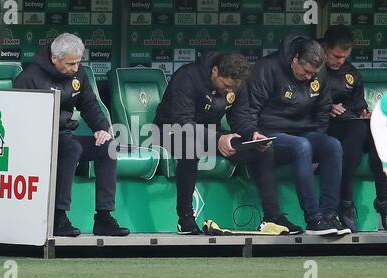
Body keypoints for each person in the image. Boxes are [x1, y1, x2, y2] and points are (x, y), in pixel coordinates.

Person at [153, 52, 303, 235]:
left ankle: (272, 217)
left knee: (262, 148)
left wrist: (253, 134)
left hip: (210, 135)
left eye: (233, 87)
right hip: (169, 132)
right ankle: (185, 219)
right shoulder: (187, 77)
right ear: (214, 71)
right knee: (189, 147)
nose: (229, 91)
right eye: (226, 85)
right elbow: (183, 123)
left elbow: (241, 118)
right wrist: (217, 140)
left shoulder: (236, 85)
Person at [14, 33, 129, 237]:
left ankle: (103, 217)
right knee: (71, 147)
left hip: (65, 134)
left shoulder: (78, 74)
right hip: (39, 140)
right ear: (54, 58)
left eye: (78, 63)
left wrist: (101, 129)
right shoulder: (29, 78)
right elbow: (19, 120)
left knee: (108, 146)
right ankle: (58, 217)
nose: (75, 68)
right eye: (70, 64)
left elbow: (90, 104)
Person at [248, 32, 350, 236]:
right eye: (305, 71)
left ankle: (329, 216)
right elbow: (250, 111)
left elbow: (323, 112)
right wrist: (254, 135)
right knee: (301, 146)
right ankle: (313, 218)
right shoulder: (267, 68)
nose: (309, 77)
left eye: (314, 73)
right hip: (269, 133)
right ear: (295, 59)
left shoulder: (318, 74)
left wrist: (316, 149)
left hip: (304, 132)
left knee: (332, 145)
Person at [322, 25, 387, 232]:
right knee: (358, 130)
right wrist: (327, 106)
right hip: (329, 128)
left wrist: (366, 114)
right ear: (325, 48)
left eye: (344, 56)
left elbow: (360, 107)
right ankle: (346, 203)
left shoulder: (351, 73)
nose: (340, 61)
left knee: (375, 131)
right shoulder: (313, 69)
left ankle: (384, 203)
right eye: (336, 56)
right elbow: (303, 103)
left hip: (353, 128)